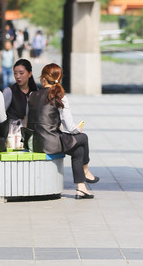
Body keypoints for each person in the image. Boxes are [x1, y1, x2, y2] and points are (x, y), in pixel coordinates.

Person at [26, 63, 99, 199]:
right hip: (51, 143)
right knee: (83, 137)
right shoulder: (60, 96)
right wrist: (78, 128)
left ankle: (81, 188)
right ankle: (86, 170)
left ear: (43, 78)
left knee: (78, 151)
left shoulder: (32, 95)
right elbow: (70, 128)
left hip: (35, 142)